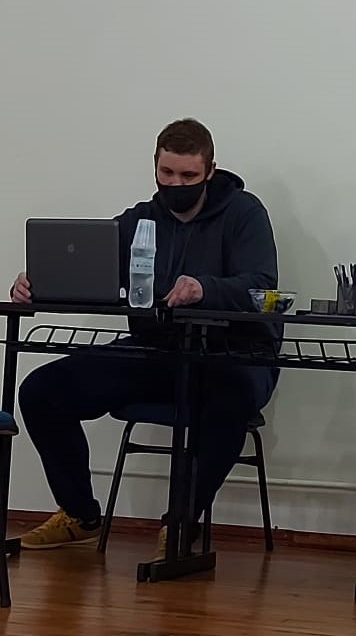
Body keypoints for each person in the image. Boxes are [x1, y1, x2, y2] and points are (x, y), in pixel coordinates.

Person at [9, 118, 280, 557]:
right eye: (167, 173)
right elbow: (88, 269)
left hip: (232, 355)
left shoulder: (245, 213)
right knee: (42, 391)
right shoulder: (140, 219)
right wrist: (35, 283)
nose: (176, 184)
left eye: (189, 176)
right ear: (154, 167)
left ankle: (182, 521)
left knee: (231, 400)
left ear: (210, 171)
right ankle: (79, 515)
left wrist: (205, 288)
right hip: (156, 350)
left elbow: (262, 284)